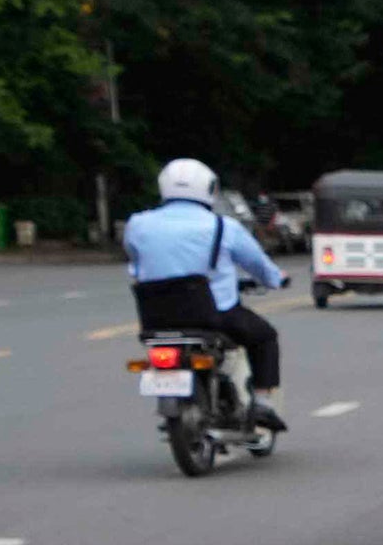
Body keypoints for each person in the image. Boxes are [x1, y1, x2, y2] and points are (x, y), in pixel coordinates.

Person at [120, 155, 293, 435]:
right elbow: (257, 264)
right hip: (214, 315)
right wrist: (277, 278)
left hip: (155, 317)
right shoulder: (223, 227)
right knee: (264, 337)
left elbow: (135, 262)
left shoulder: (137, 224)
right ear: (208, 188)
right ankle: (261, 401)